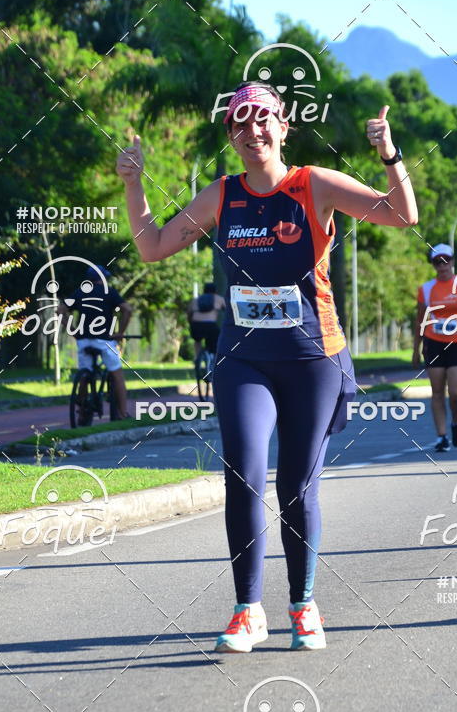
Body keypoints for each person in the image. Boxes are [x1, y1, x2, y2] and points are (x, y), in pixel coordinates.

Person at [116, 81, 418, 652]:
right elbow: (154, 246)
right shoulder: (222, 196)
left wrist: (388, 154)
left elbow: (404, 215)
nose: (253, 131)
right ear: (231, 135)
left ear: (283, 127)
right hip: (244, 357)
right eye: (240, 122)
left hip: (312, 357)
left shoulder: (314, 185)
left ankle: (303, 605)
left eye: (263, 120)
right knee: (244, 475)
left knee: (297, 489)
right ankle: (247, 610)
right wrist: (133, 186)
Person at [412, 244, 457, 452]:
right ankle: (442, 436)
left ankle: (456, 423)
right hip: (434, 342)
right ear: (433, 264)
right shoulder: (426, 289)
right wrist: (416, 349)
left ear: (453, 261)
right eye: (438, 261)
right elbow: (420, 320)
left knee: (455, 392)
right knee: (437, 391)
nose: (443, 265)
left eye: (446, 260)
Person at [61, 265, 132, 419]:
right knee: (117, 375)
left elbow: (60, 311)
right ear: (103, 278)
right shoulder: (109, 291)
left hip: (84, 341)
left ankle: (81, 413)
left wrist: (73, 331)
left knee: (85, 375)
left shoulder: (80, 292)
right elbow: (127, 309)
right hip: (104, 341)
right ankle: (123, 413)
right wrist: (120, 332)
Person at [187, 281, 225, 358]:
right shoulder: (219, 298)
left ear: (204, 290)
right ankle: (212, 357)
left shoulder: (196, 300)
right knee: (215, 341)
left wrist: (191, 323)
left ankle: (197, 358)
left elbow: (189, 313)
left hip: (196, 324)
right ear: (215, 290)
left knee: (197, 340)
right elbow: (228, 310)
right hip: (210, 325)